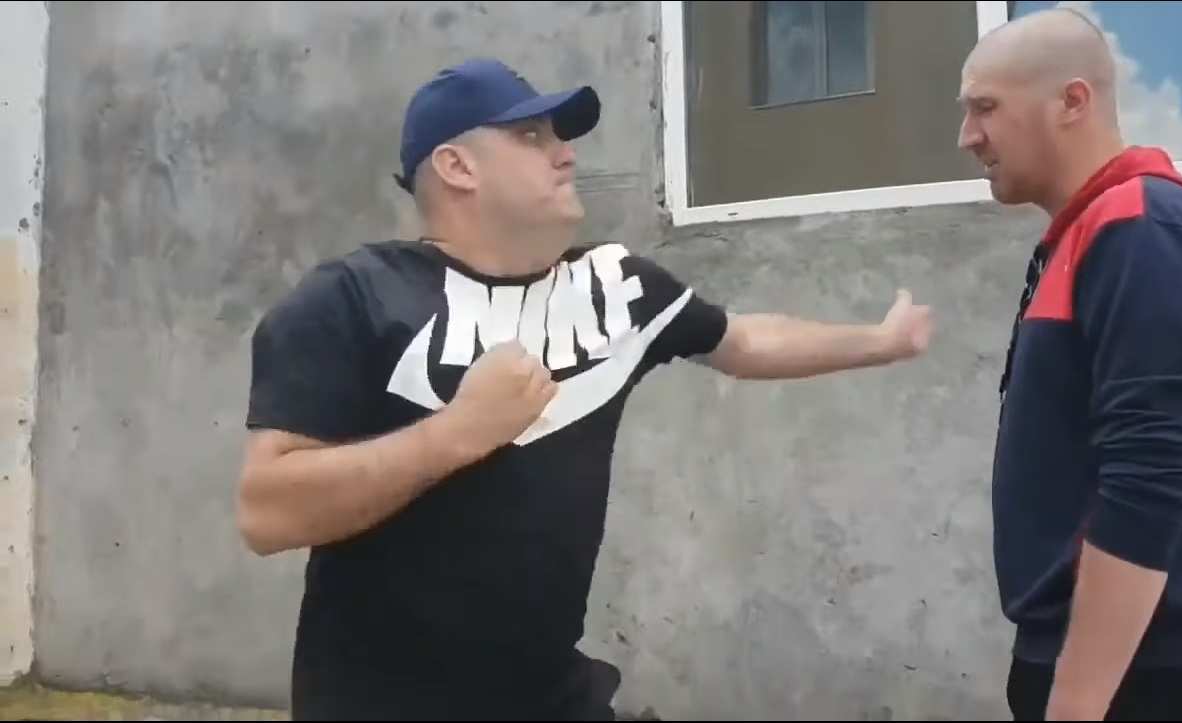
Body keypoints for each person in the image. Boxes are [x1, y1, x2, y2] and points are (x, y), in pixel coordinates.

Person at [236, 57, 933, 721]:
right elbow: (267, 512)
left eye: (560, 137)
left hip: (553, 698)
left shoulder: (614, 288)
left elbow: (743, 341)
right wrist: (454, 435)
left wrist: (880, 341)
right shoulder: (352, 298)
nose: (565, 155)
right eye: (531, 137)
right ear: (457, 167)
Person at [957, 8, 1182, 721]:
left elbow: (1149, 477)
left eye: (985, 107)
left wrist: (1079, 701)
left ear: (1072, 101)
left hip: (1134, 682)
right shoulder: (1087, 233)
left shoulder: (1141, 227)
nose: (967, 136)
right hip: (1088, 667)